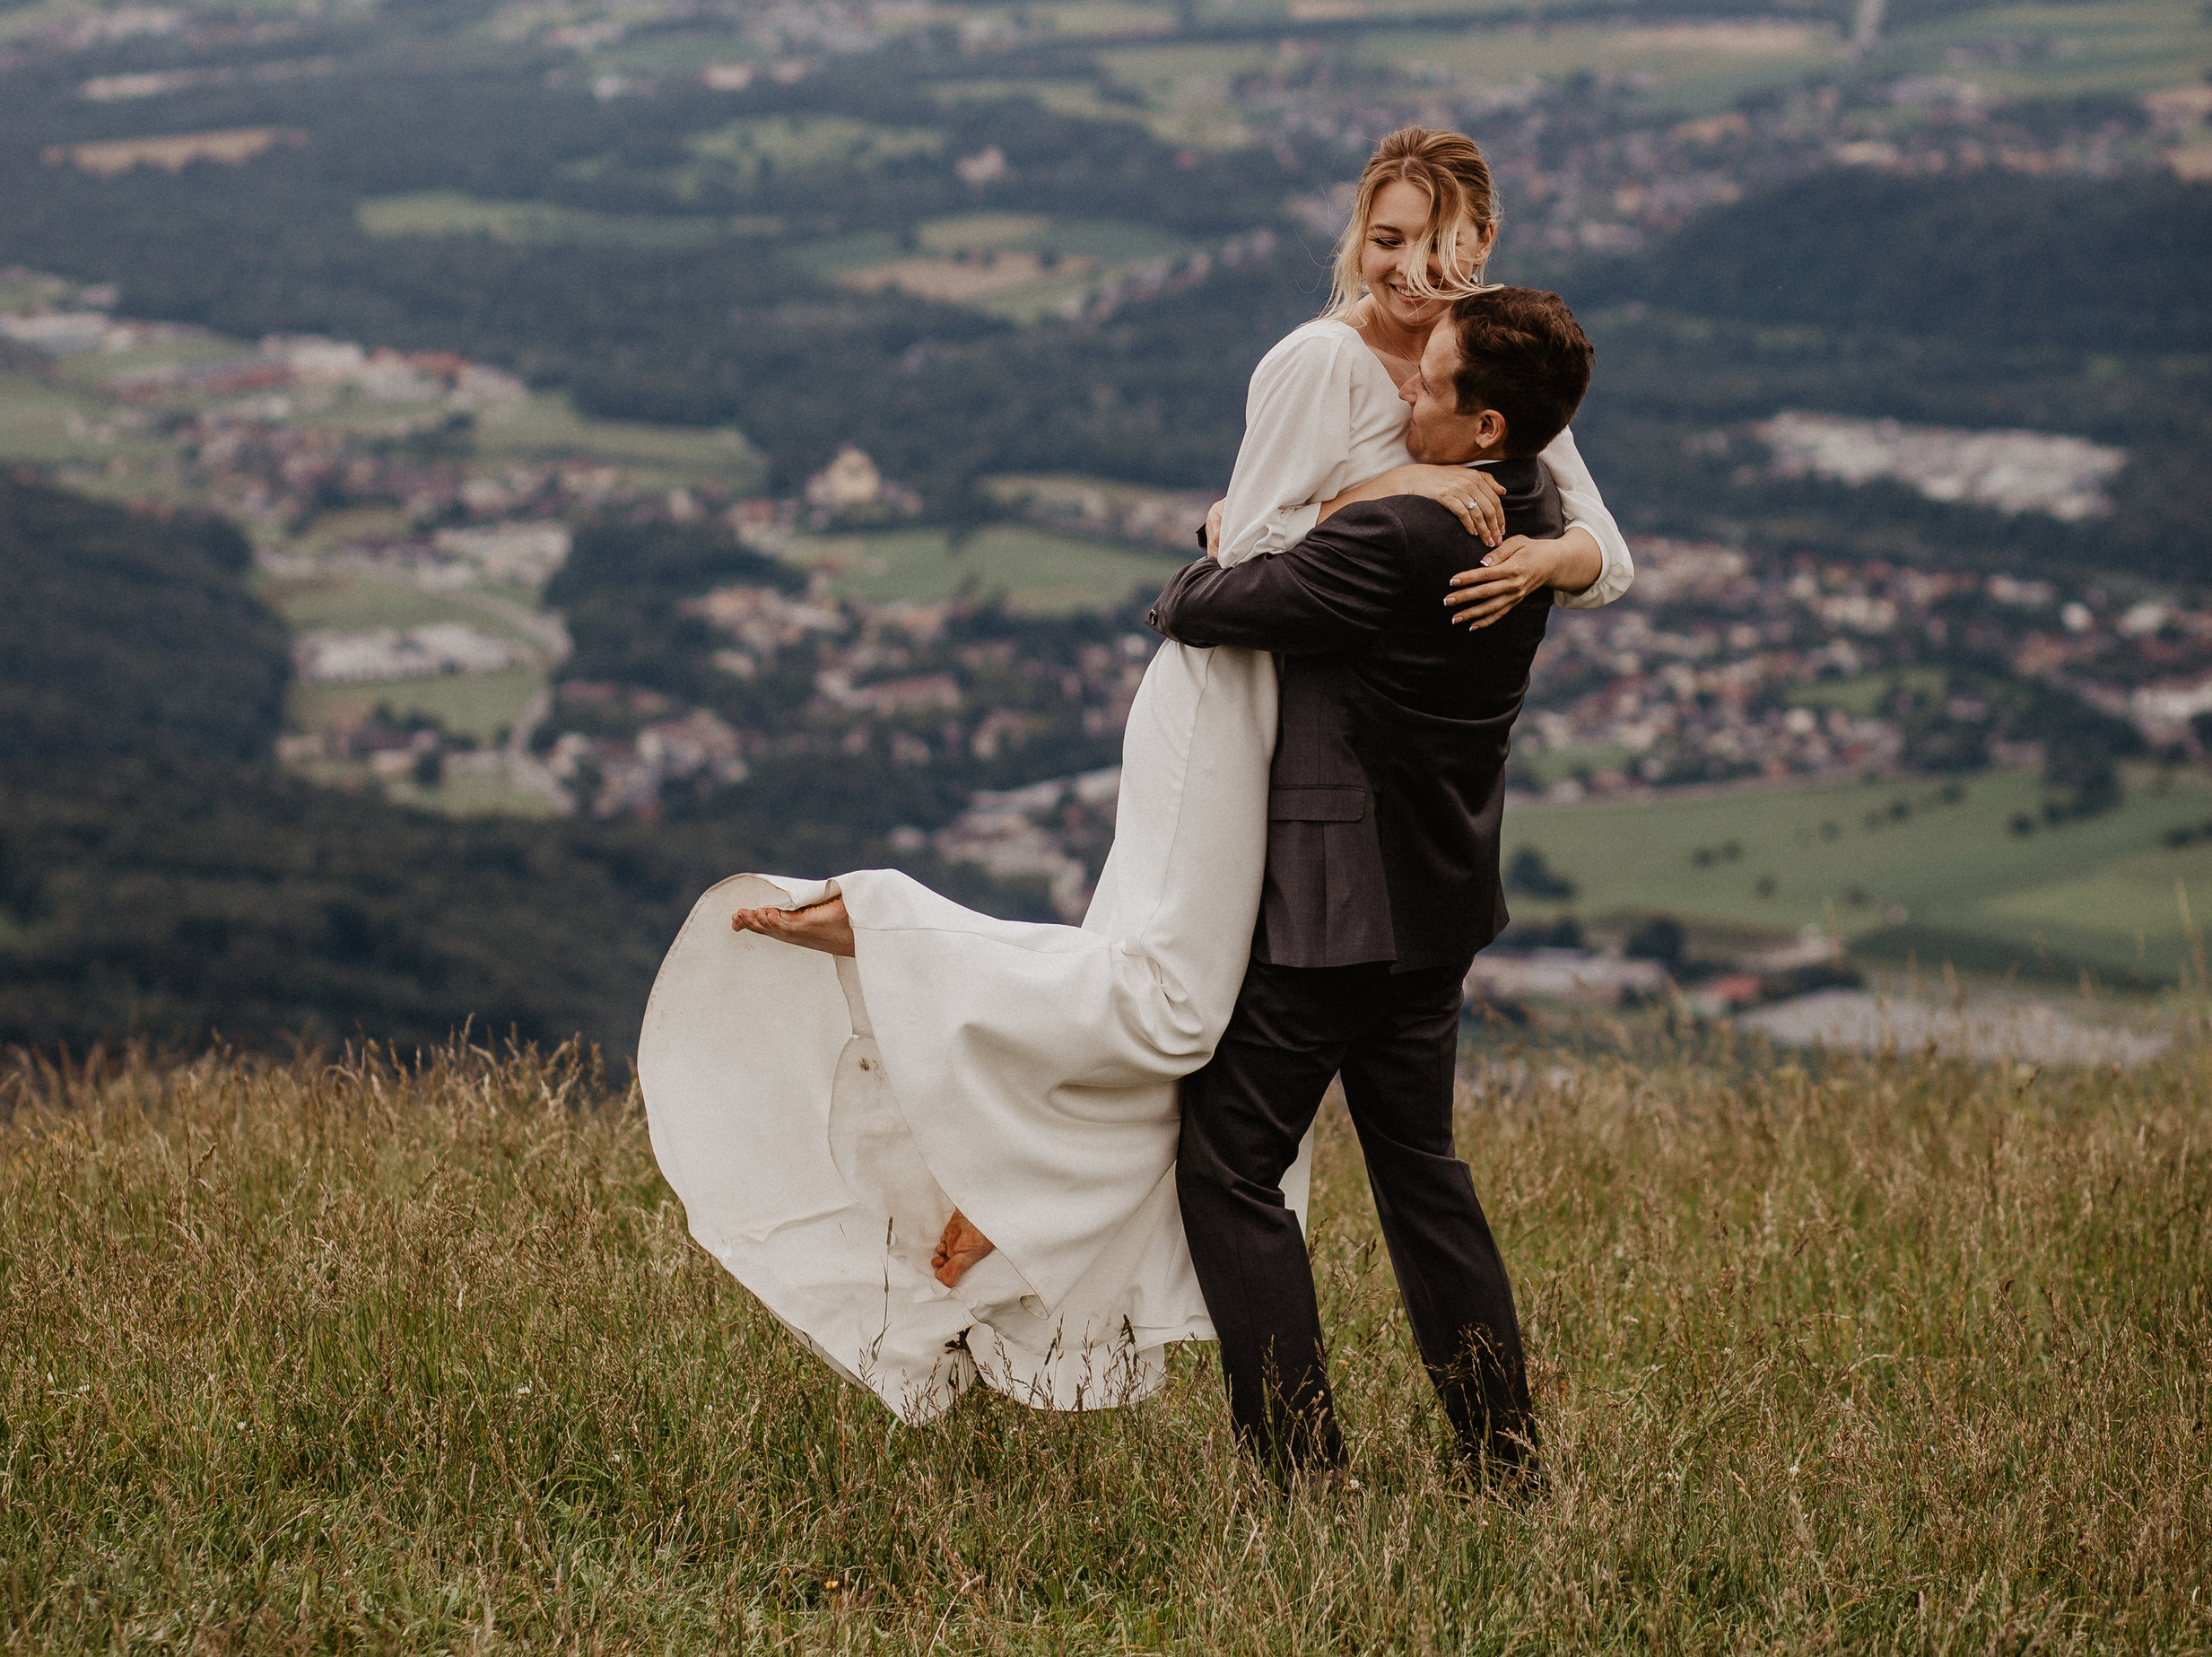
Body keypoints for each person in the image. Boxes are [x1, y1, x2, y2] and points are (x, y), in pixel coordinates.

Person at [637, 127, 1630, 1420]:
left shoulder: (1482, 389)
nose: (1406, 273)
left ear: (1480, 249)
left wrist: (1541, 556)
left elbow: (1244, 588)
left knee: (1189, 1059)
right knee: (1258, 1064)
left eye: (1432, 246)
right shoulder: (1348, 377)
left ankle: (910, 982)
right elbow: (1255, 546)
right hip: (1295, 767)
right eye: (1383, 240)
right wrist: (1391, 491)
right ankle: (1496, 1461)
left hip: (1327, 825)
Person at [1149, 284, 1594, 1487]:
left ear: (1487, 426)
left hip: (1336, 914)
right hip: (1439, 909)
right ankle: (1505, 1460)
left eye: (1429, 381)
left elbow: (1198, 605)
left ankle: (1303, 1474)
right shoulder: (1536, 507)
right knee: (1421, 1176)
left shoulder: (1401, 537)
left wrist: (1238, 522)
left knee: (1229, 1166)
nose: (1403, 389)